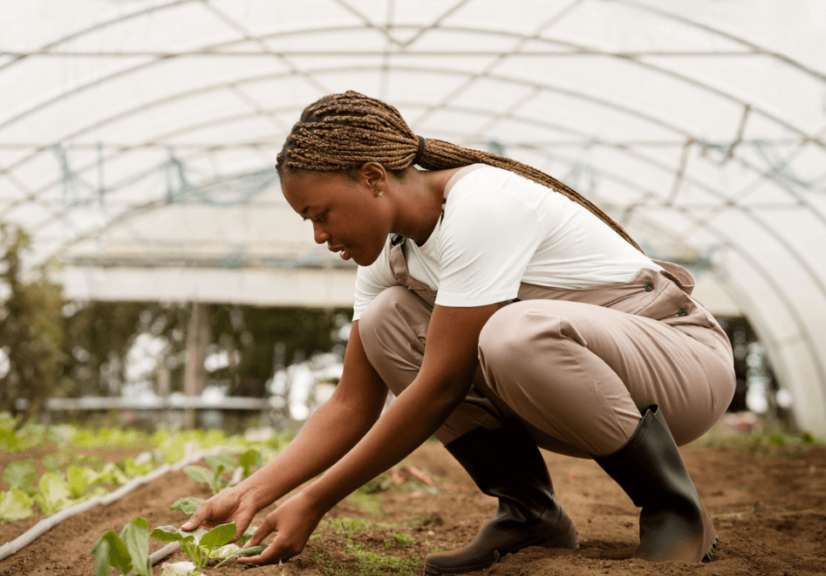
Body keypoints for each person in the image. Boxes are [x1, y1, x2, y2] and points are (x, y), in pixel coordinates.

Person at [181, 91, 736, 573]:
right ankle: (530, 514)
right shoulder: (387, 256)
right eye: (310, 221)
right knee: (386, 321)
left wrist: (316, 500)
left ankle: (673, 508)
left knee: (512, 333)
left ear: (373, 177)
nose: (320, 234)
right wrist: (252, 491)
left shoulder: (484, 206)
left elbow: (440, 387)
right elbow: (352, 402)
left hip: (681, 366)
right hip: (580, 391)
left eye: (320, 213)